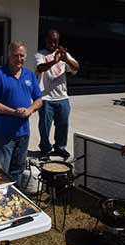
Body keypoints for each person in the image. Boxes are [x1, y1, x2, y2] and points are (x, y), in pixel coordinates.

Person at [0, 41, 42, 187]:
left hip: (23, 133)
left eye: (22, 56)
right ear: (9, 56)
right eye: (16, 55)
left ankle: (15, 199)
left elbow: (39, 99)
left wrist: (30, 110)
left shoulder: (29, 75)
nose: (19, 59)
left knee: (17, 170)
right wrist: (14, 112)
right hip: (4, 132)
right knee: (1, 172)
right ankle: (0, 201)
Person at [35, 29, 79, 160]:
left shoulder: (64, 54)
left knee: (63, 125)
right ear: (45, 40)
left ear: (58, 41)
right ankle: (45, 149)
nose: (52, 44)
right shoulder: (40, 55)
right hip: (45, 98)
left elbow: (76, 68)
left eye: (55, 42)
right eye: (50, 41)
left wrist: (66, 59)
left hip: (62, 97)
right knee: (44, 127)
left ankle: (60, 148)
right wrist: (55, 61)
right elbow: (40, 68)